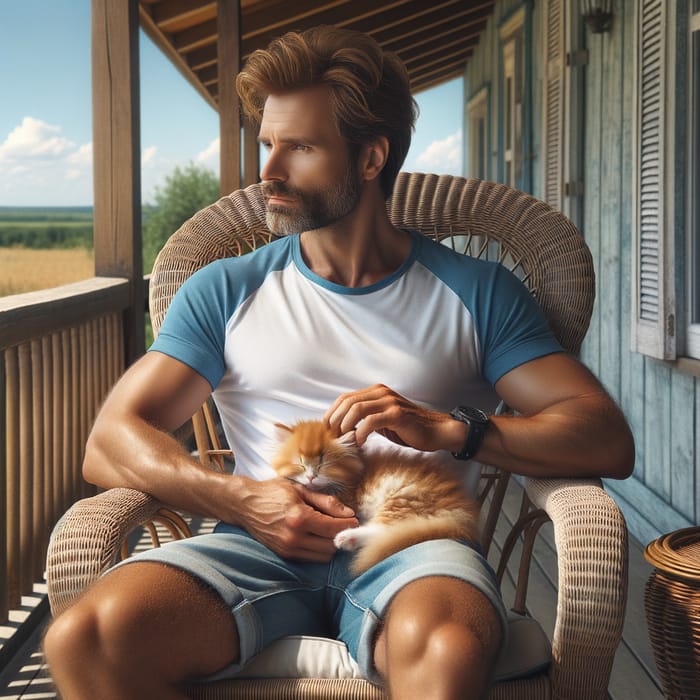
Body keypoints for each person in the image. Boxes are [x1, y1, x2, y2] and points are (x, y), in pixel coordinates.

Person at [43, 25, 634, 700]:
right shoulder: (226, 288)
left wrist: (457, 430)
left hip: (415, 544)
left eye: (299, 147)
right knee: (86, 636)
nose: (267, 170)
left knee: (447, 649)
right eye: (267, 143)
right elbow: (110, 440)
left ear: (371, 158)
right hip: (254, 546)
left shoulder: (478, 290)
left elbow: (604, 436)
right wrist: (245, 500)